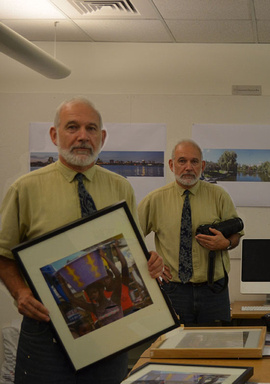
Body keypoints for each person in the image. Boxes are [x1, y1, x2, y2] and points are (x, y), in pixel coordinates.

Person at [0, 97, 164, 384]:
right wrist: (21, 293)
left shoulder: (120, 187)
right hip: (46, 332)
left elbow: (132, 250)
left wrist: (149, 264)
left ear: (101, 137)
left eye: (91, 129)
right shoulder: (24, 188)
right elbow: (2, 254)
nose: (82, 136)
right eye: (72, 127)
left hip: (110, 334)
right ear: (55, 135)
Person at [138, 139, 243, 326]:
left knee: (216, 350)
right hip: (173, 291)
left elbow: (236, 234)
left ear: (202, 165)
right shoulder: (154, 200)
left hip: (214, 291)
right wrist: (149, 259)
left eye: (194, 162)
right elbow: (131, 238)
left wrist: (225, 244)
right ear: (171, 165)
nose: (188, 167)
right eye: (182, 161)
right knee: (172, 351)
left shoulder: (219, 196)